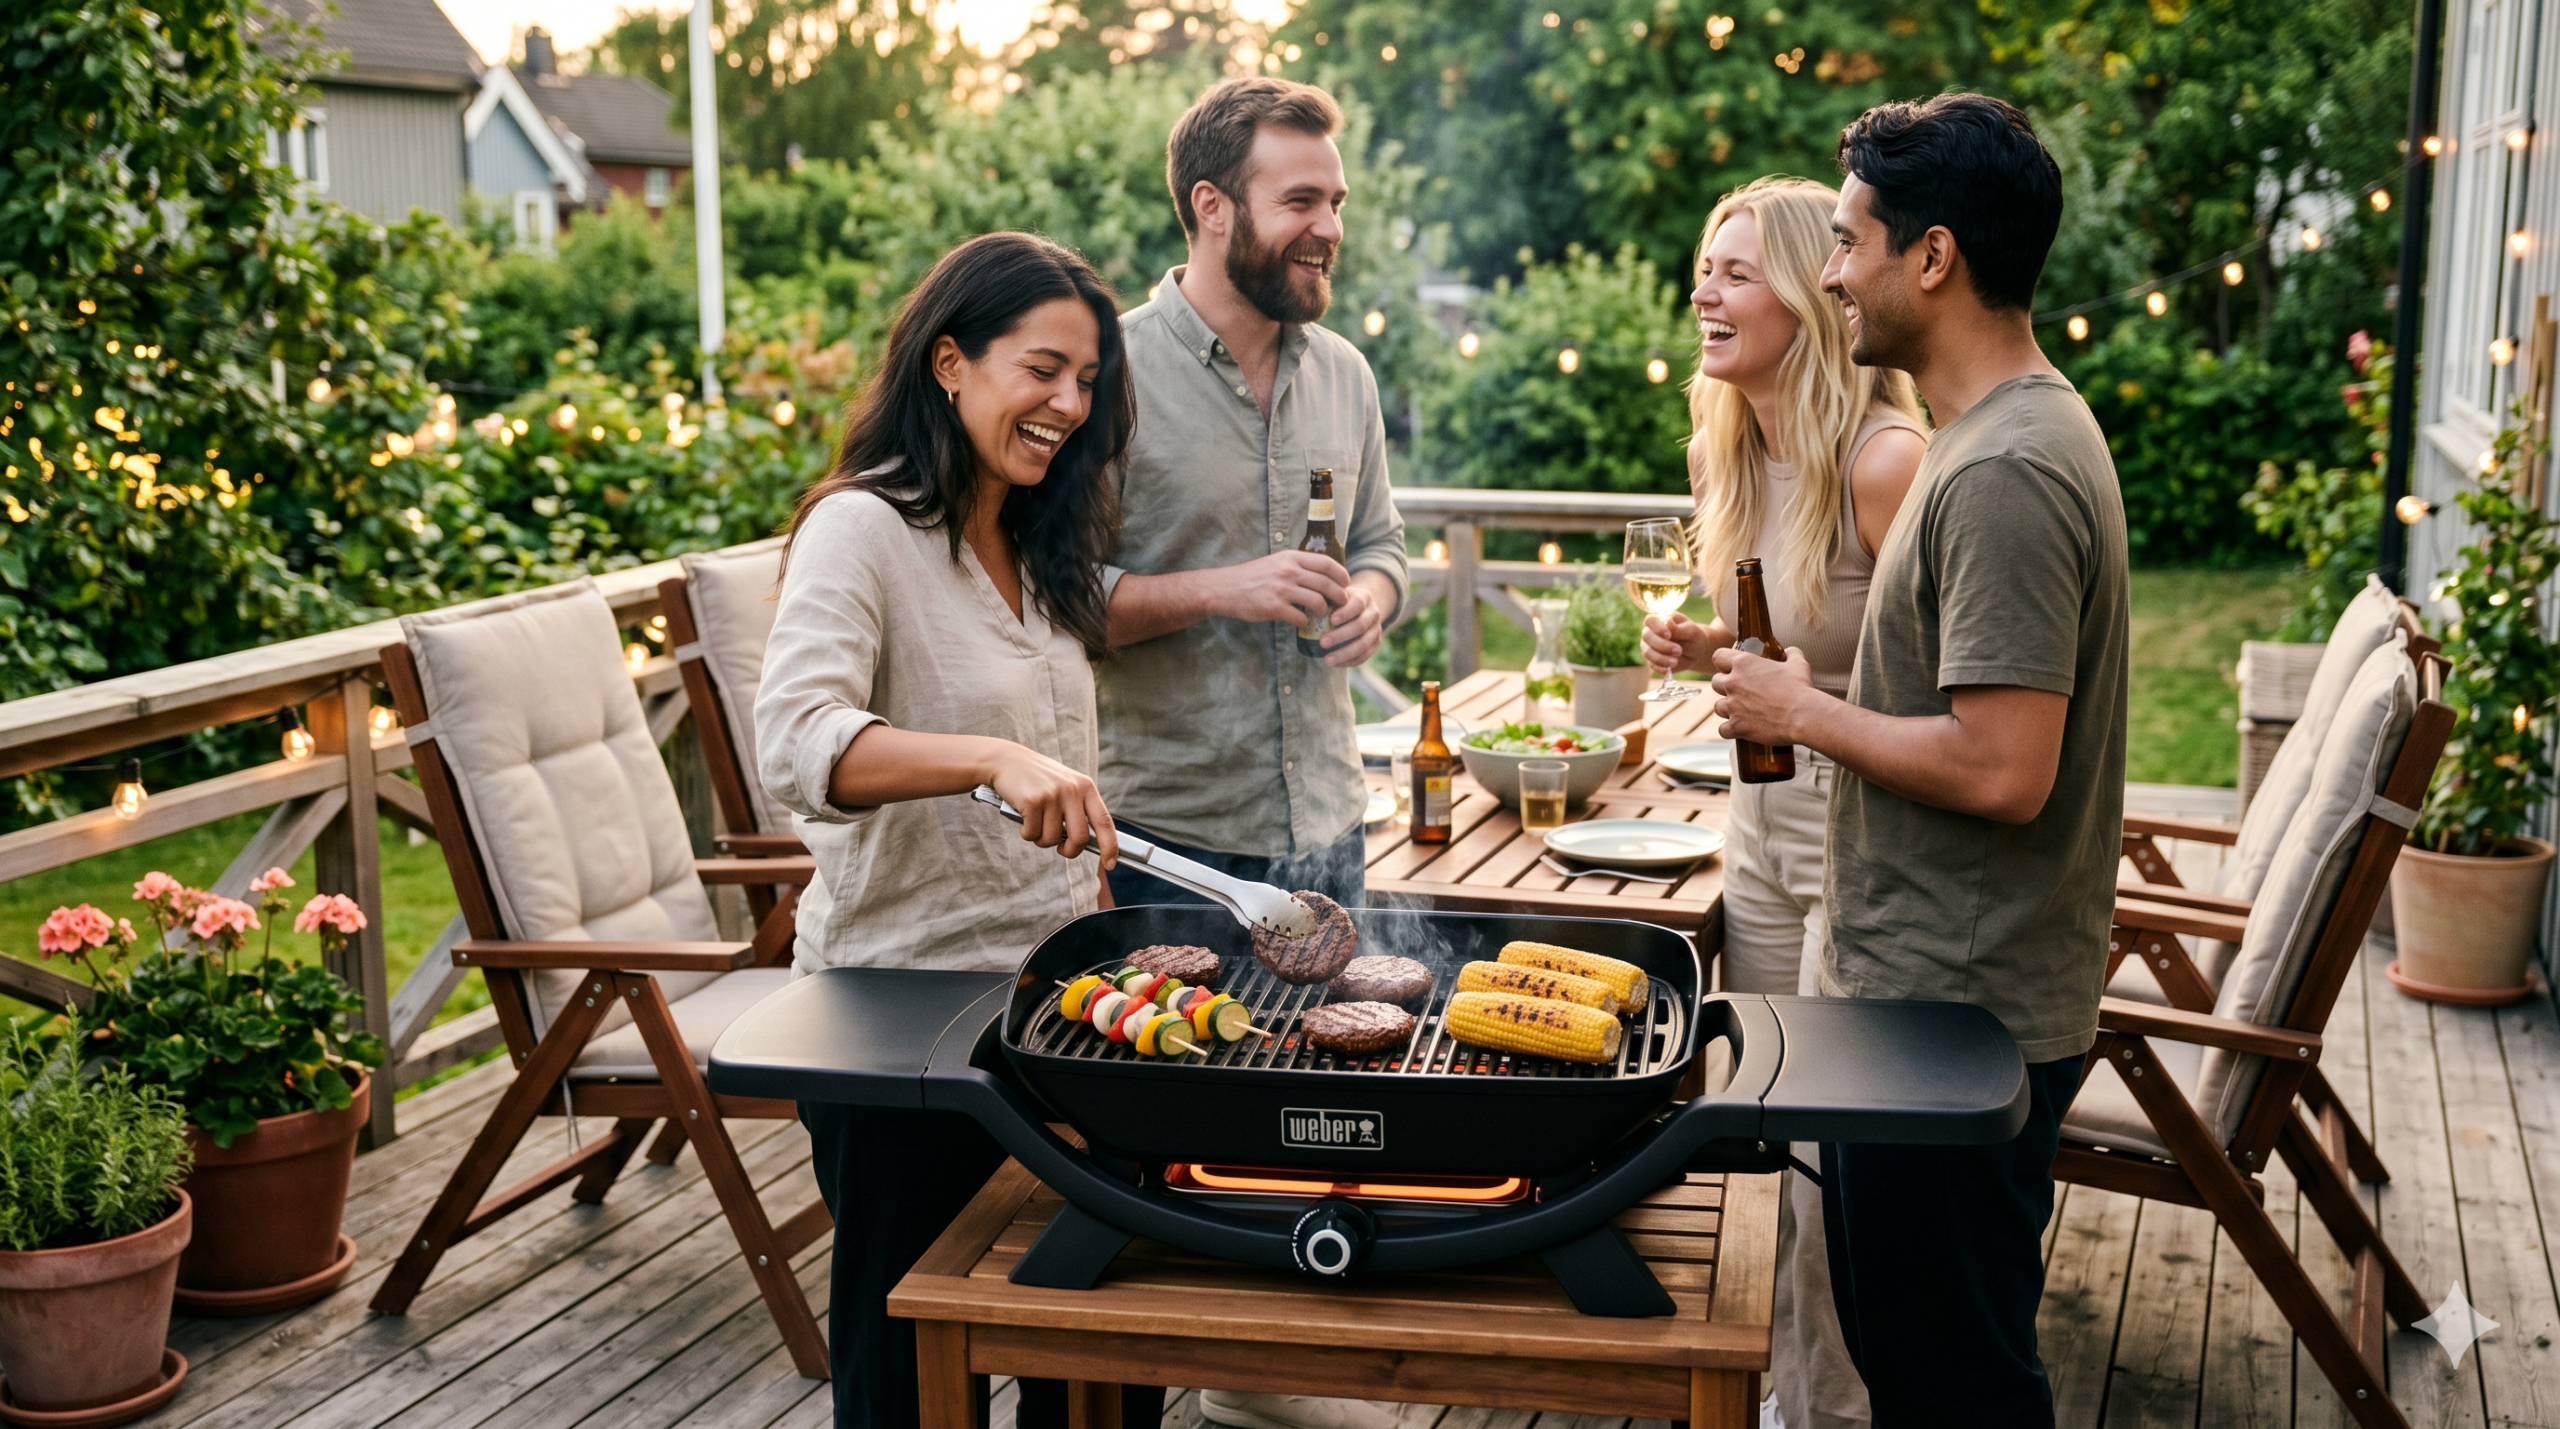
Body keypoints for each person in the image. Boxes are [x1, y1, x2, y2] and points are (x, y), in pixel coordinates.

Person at [1707, 94, 2128, 1427]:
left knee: (1955, 1380)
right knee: (1917, 1357)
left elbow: (2007, 769)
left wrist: (1800, 705)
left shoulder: (2005, 468)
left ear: (1931, 257)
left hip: (1959, 1008)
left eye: (1847, 241)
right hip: (1927, 989)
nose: (1832, 274)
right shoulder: (1986, 444)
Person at [754, 232, 1159, 1429]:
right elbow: (796, 742)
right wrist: (985, 754)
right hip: (899, 1017)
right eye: (1041, 369)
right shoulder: (861, 529)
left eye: (1086, 382)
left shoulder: (1039, 545)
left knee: (1093, 1330)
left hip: (1053, 1005)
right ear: (948, 361)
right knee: (909, 1357)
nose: (1067, 405)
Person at [1638, 174, 1924, 1429]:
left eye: (1736, 271)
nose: (1705, 289)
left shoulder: (1888, 461)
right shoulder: (1727, 443)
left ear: (1814, 296)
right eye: (1706, 265)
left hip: (1864, 864)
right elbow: (1782, 639)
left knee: (1830, 1175)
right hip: (1754, 842)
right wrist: (1708, 651)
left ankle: (1823, 1411)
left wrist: (1803, 693)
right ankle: (1761, 1385)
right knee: (1758, 1132)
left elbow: (1951, 701)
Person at [1097, 76, 1408, 923]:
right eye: (1301, 201)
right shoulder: (1103, 375)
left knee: (1333, 1053)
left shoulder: (1346, 371)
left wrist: (1371, 602)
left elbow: (1381, 545)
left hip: (1333, 825)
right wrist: (1224, 590)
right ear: (1213, 206)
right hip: (1165, 846)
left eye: (1336, 203)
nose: (1331, 229)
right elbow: (1053, 599)